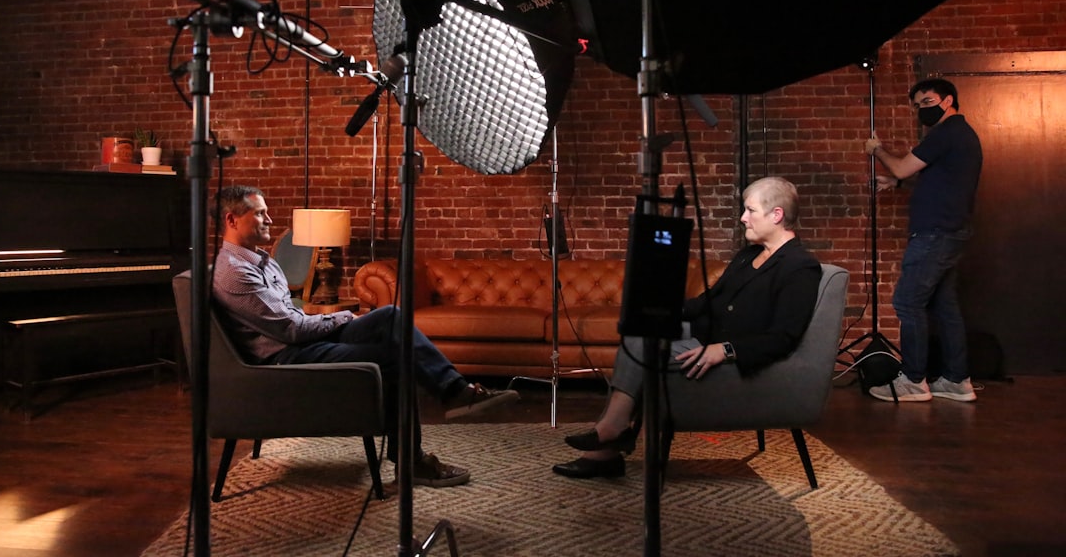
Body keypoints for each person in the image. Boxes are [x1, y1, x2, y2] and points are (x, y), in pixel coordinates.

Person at [210, 185, 519, 488]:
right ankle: (413, 461)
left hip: (301, 341)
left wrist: (335, 320)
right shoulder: (235, 272)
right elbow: (290, 329)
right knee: (393, 357)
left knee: (389, 317)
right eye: (260, 214)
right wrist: (344, 316)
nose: (270, 220)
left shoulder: (262, 260)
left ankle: (455, 390)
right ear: (231, 220)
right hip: (284, 357)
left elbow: (292, 319)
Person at [553, 176, 822, 479]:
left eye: (750, 210)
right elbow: (710, 301)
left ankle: (608, 438)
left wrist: (727, 349)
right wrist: (662, 310)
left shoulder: (799, 267)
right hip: (703, 334)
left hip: (731, 353)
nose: (743, 218)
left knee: (646, 346)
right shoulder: (749, 255)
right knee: (641, 327)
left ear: (777, 215)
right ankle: (610, 438)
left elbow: (784, 337)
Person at [863, 78, 982, 403]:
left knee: (907, 302)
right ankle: (957, 381)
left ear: (948, 101)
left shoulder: (946, 133)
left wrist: (878, 151)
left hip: (935, 233)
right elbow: (944, 183)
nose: (920, 110)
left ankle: (913, 381)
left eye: (927, 103)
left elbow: (902, 167)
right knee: (944, 306)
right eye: (916, 105)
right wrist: (897, 185)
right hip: (951, 231)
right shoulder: (961, 136)